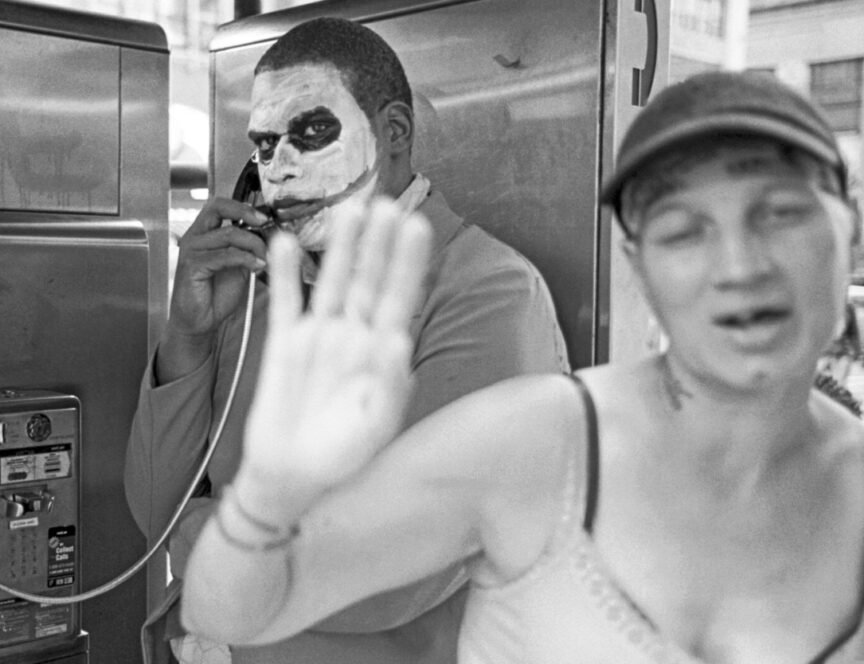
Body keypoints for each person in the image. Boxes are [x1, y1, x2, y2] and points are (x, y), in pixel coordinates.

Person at [180, 70, 864, 662]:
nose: (739, 266)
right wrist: (266, 499)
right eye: (684, 230)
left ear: (851, 235)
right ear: (639, 269)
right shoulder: (533, 444)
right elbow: (228, 610)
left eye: (781, 214)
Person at [123, 16, 569, 664]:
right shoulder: (255, 292)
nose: (280, 169)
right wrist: (188, 335)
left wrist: (198, 537)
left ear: (393, 133)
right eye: (265, 146)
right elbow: (153, 500)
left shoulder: (489, 293)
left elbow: (386, 574)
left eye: (311, 133)